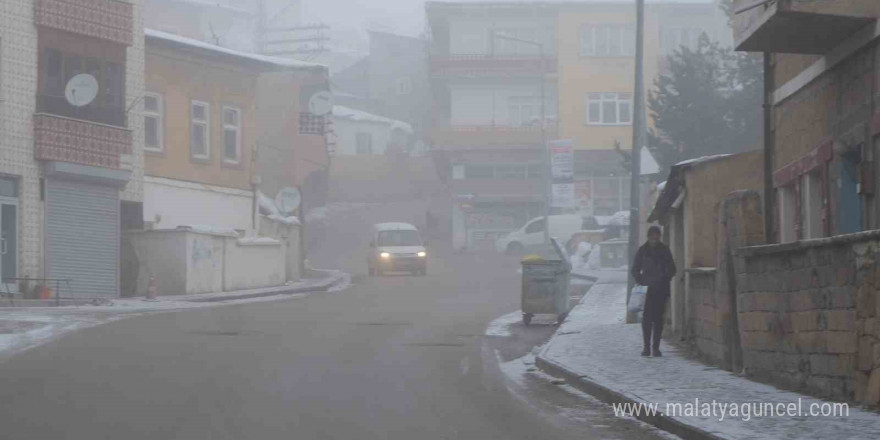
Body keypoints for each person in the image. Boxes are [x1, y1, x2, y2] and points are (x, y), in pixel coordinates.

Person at [631, 225, 676, 357]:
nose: (655, 239)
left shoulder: (664, 250)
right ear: (649, 237)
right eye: (652, 237)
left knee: (658, 319)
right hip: (646, 291)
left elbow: (673, 268)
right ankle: (646, 347)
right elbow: (635, 269)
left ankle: (655, 347)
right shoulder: (643, 251)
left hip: (661, 289)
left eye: (657, 237)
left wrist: (664, 277)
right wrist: (641, 280)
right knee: (646, 319)